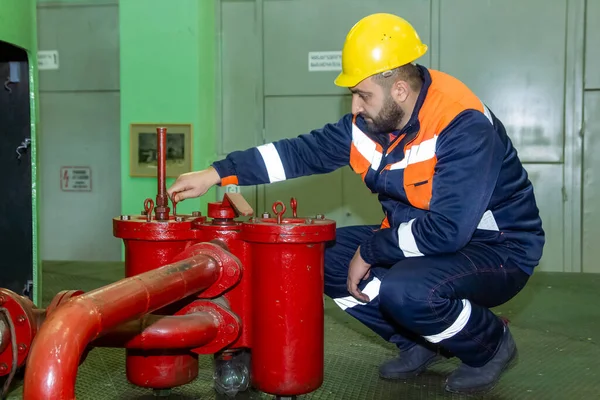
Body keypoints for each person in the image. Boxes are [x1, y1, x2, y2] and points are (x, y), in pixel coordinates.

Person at [167, 13, 545, 394]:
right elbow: (298, 153)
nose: (355, 107)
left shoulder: (462, 126)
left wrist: (371, 249)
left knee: (407, 290)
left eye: (363, 94)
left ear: (399, 89)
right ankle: (417, 341)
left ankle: (490, 344)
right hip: (418, 238)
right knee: (317, 257)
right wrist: (217, 173)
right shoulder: (373, 123)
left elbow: (447, 231)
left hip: (496, 249)